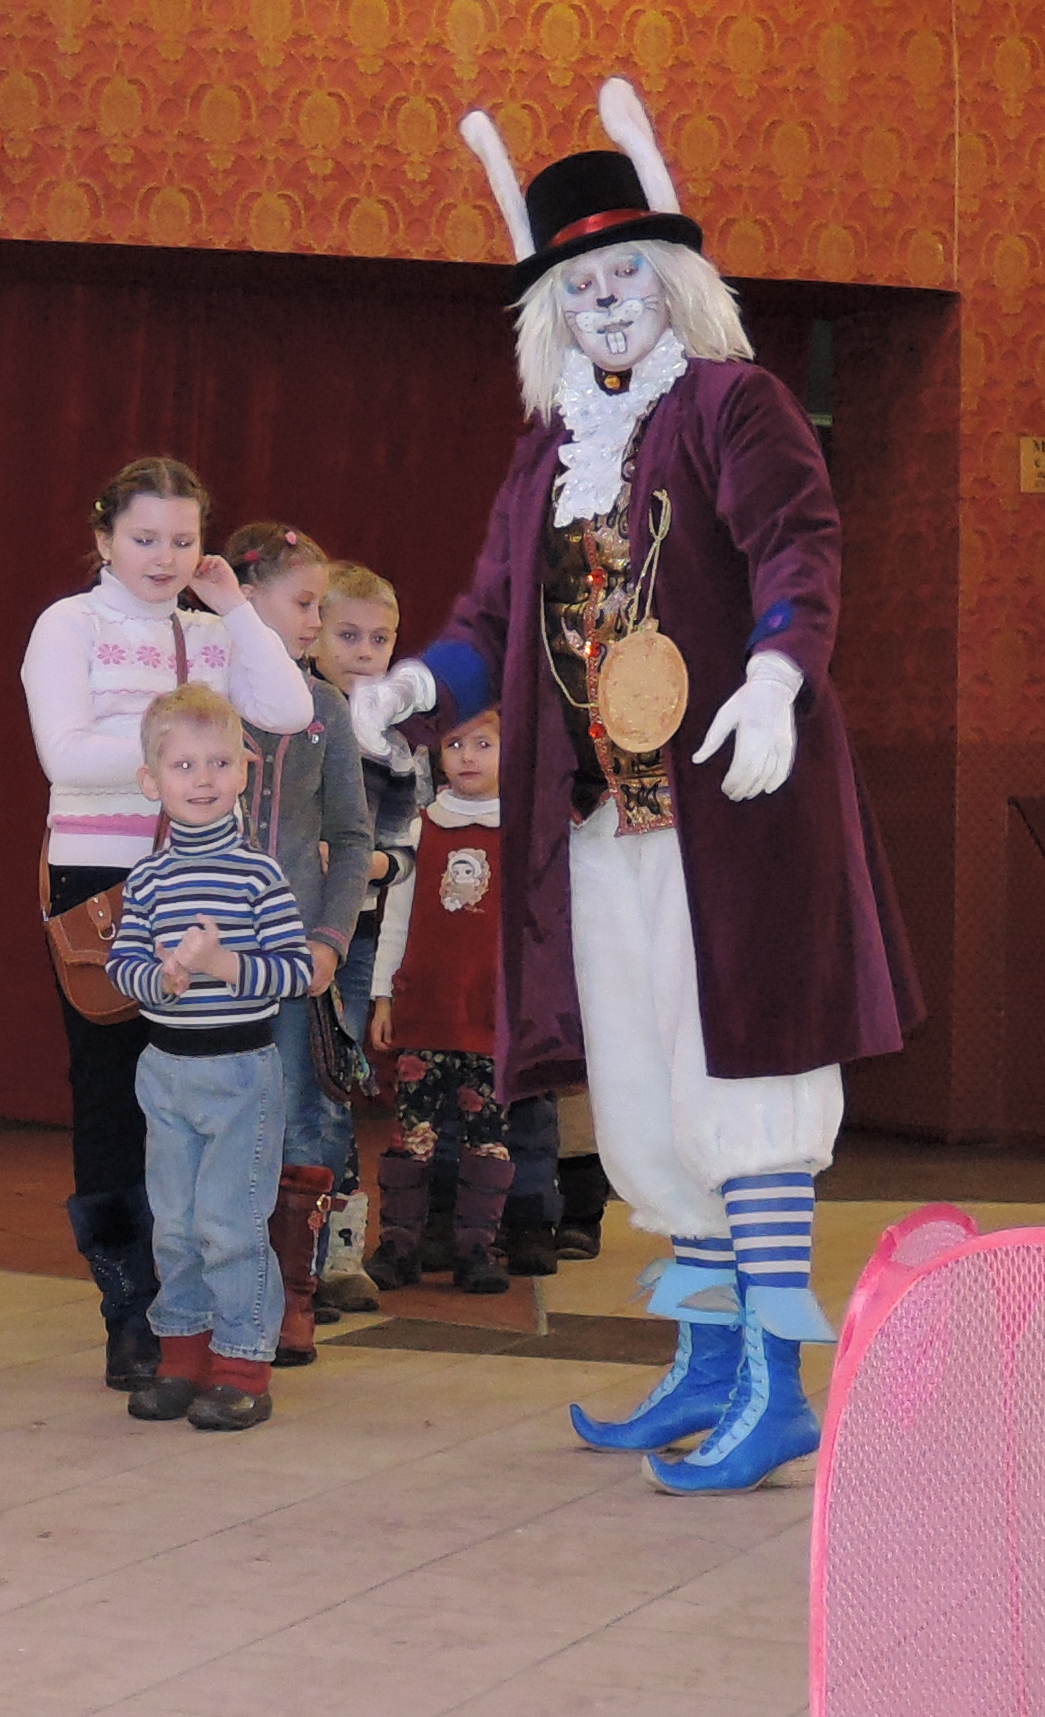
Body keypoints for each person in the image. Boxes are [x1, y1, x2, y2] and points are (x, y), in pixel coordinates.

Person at [357, 79, 919, 1492]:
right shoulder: (547, 454)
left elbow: (798, 543)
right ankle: (710, 1362)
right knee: (654, 1093)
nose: (606, 303)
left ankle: (776, 1387)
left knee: (747, 1075)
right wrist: (421, 688)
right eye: (581, 285)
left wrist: (778, 676)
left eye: (625, 277)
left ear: (671, 283)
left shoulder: (734, 403)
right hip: (603, 820)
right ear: (552, 310)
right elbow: (492, 617)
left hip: (737, 811)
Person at [23, 459, 314, 1389]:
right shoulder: (70, 624)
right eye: (144, 538)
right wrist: (183, 749)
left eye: (183, 540)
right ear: (104, 539)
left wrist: (235, 611)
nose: (164, 557)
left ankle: (217, 1316)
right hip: (103, 881)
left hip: (210, 876)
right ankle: (130, 1311)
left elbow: (289, 709)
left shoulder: (211, 631)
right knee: (114, 1095)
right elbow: (64, 753)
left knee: (217, 1086)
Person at [101, 685, 330, 1433]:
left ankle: (241, 1367)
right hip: (165, 1072)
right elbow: (121, 966)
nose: (202, 779)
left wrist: (223, 965)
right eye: (183, 765)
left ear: (243, 774)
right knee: (174, 1226)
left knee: (230, 1226)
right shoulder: (149, 879)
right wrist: (162, 978)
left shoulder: (259, 875)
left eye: (218, 763)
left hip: (239, 1074)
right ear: (151, 782)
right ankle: (183, 1359)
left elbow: (296, 971)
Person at [220, 522, 370, 1366]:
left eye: (321, 606)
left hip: (294, 960)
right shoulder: (204, 699)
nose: (317, 620)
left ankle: (290, 1298)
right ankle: (214, 1297)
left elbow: (351, 838)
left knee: (300, 1118)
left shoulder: (327, 710)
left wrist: (328, 941)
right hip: (208, 958)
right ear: (245, 599)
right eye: (304, 603)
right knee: (216, 1120)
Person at [369, 704, 517, 1292]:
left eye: (483, 744)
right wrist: (383, 995)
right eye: (454, 746)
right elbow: (396, 918)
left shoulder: (521, 829)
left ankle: (477, 1250)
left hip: (490, 1014)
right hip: (423, 1011)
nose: (467, 758)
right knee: (413, 1136)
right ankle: (399, 1245)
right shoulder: (420, 828)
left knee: (489, 1137)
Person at [314, 562, 415, 1317]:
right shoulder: (292, 714)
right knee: (290, 1086)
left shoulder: (397, 740)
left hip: (361, 931)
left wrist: (369, 861)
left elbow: (411, 844)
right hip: (287, 930)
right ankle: (284, 1247)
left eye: (379, 639)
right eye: (347, 635)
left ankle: (341, 1250)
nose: (364, 652)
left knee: (335, 1084)